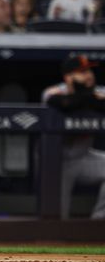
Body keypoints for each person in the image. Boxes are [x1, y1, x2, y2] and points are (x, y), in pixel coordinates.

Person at [42, 54, 105, 219]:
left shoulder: (99, 92)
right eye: (82, 72)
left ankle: (99, 221)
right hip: (56, 162)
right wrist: (88, 97)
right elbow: (65, 104)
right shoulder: (53, 92)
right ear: (68, 77)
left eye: (89, 70)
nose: (89, 75)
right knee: (57, 217)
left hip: (83, 157)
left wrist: (88, 97)